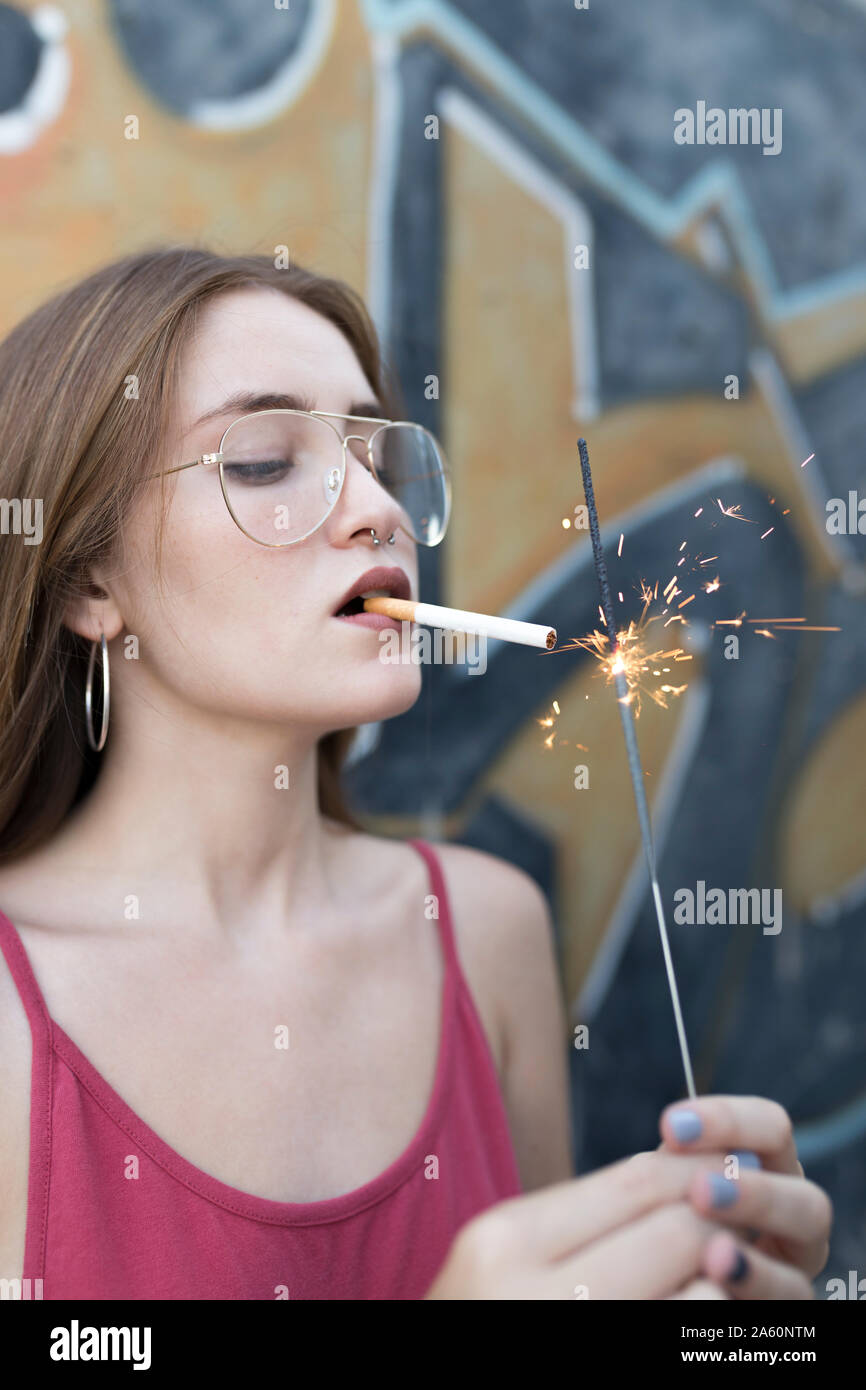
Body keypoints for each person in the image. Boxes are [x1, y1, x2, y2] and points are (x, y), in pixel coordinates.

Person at [0, 248, 830, 1300]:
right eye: (262, 460)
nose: (374, 510)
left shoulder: (485, 935)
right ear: (89, 582)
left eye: (373, 459)